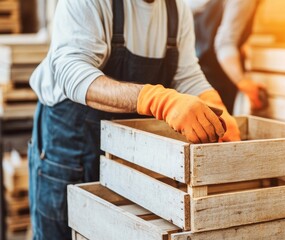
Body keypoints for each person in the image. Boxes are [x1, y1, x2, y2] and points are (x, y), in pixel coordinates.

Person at [28, 0, 240, 239]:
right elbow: (72, 73)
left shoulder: (176, 10)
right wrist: (157, 100)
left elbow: (187, 75)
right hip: (70, 151)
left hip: (126, 156)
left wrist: (214, 105)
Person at [186, 0, 266, 113]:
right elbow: (224, 44)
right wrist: (242, 82)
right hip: (217, 77)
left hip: (195, 73)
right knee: (221, 126)